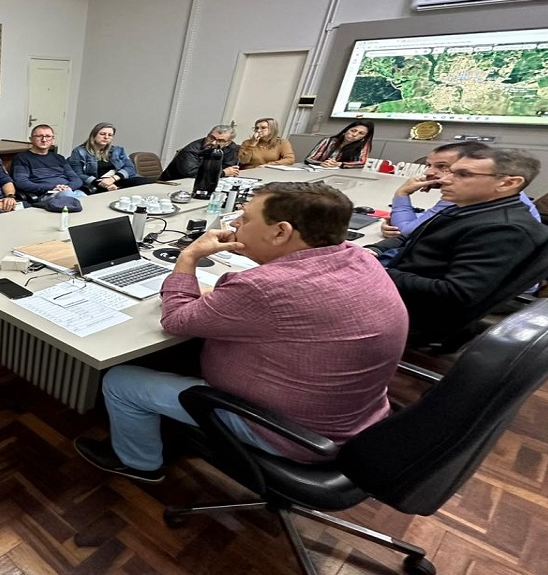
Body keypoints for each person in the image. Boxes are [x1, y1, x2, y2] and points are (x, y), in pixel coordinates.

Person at [75, 182, 407, 482]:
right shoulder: (361, 258)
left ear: (280, 232)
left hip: (293, 435)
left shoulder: (263, 288)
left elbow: (175, 319)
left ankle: (138, 464)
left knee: (120, 381)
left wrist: (188, 256)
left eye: (245, 219)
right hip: (358, 421)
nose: (235, 225)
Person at [373, 148, 548, 345]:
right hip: (397, 290)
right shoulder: (471, 208)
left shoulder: (505, 230)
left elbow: (455, 294)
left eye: (463, 175)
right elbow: (414, 236)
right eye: (451, 171)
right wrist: (373, 251)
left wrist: (380, 272)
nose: (446, 180)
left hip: (411, 315)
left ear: (508, 183)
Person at [377, 142, 540, 242]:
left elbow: (408, 231)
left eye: (442, 167)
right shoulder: (497, 197)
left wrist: (402, 195)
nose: (429, 173)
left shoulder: (499, 216)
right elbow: (420, 228)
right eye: (429, 165)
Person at [10, 125, 88, 207]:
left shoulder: (59, 158)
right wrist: (52, 188)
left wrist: (68, 187)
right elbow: (21, 182)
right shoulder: (21, 158)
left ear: (53, 140)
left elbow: (76, 178)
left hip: (69, 191)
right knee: (73, 199)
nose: (44, 140)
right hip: (45, 195)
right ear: (31, 139)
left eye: (48, 136)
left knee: (85, 197)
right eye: (39, 136)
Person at [68, 122, 154, 192]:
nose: (106, 137)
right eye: (102, 134)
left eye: (110, 135)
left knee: (148, 183)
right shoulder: (79, 151)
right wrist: (104, 183)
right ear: (93, 135)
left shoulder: (118, 150)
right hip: (96, 182)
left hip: (118, 179)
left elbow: (130, 168)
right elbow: (78, 174)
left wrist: (113, 179)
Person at [159, 124, 241, 180]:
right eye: (211, 138)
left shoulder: (230, 147)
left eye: (220, 141)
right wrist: (222, 173)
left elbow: (229, 167)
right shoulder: (191, 150)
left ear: (228, 143)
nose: (213, 142)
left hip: (205, 182)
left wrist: (222, 172)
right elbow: (191, 173)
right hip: (173, 183)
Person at [304, 121, 374, 169]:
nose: (354, 134)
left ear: (364, 137)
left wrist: (339, 164)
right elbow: (309, 159)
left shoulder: (363, 145)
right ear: (346, 130)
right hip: (320, 170)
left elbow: (362, 163)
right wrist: (322, 163)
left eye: (361, 133)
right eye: (353, 131)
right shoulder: (328, 141)